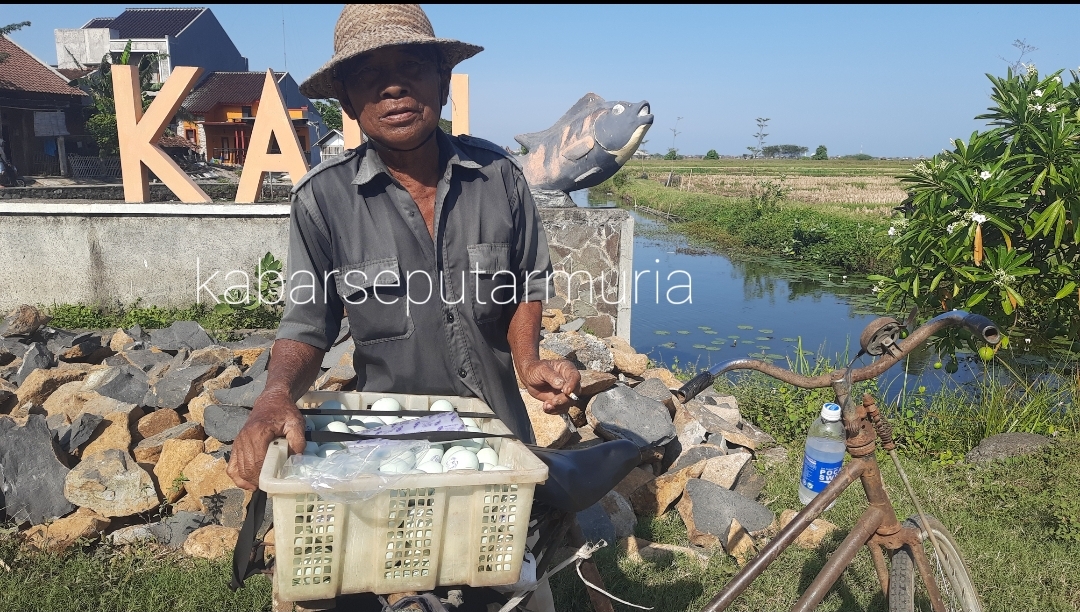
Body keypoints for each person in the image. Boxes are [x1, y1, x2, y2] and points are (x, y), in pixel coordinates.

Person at [227, 4, 580, 491]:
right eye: (369, 74)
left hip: (499, 435)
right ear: (348, 103)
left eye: (411, 67)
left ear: (442, 82)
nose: (393, 87)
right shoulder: (323, 199)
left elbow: (523, 284)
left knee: (519, 559)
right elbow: (309, 324)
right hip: (391, 446)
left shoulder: (500, 179)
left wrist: (529, 362)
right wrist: (276, 393)